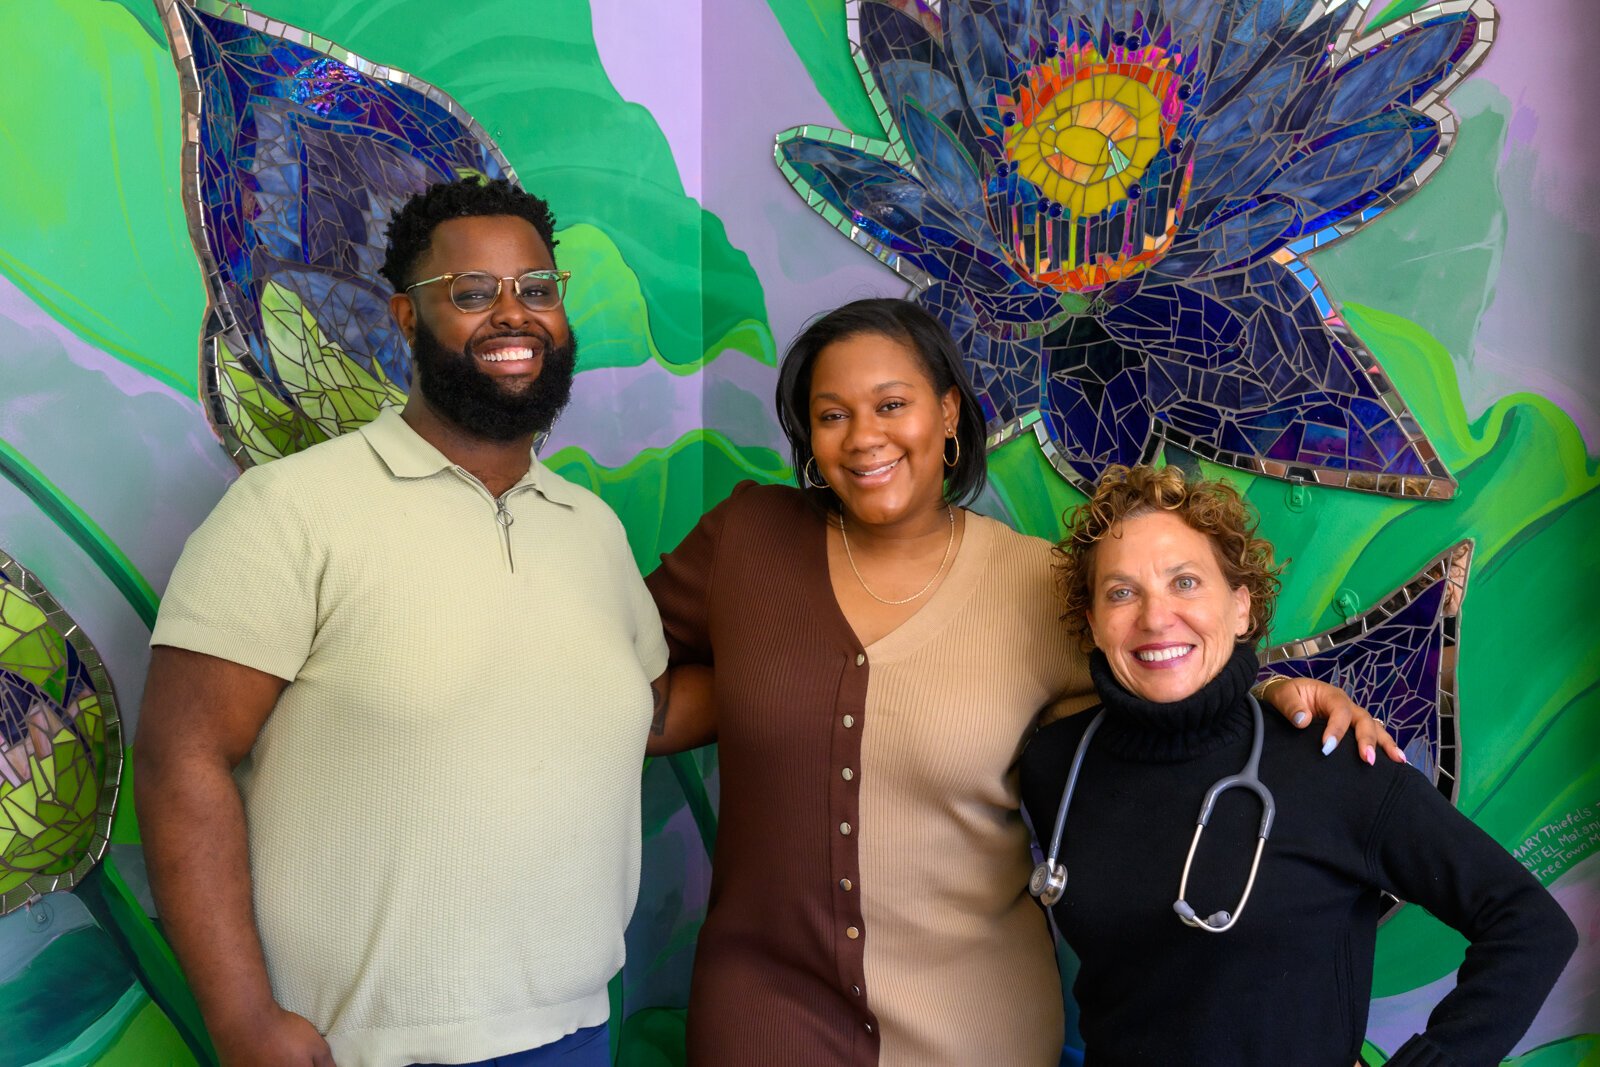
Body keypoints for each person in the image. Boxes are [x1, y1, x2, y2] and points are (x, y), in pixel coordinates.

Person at [644, 298, 1399, 1065]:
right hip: (765, 1018)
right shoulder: (748, 539)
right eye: (831, 414)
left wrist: (1272, 696)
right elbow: (617, 667)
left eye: (892, 404)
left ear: (948, 414)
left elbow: (1171, 687)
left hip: (976, 1028)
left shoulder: (1037, 585)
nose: (864, 436)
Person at [135, 177, 672, 1067]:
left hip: (576, 1033)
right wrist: (241, 1019)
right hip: (363, 1049)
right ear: (404, 316)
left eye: (537, 290)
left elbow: (645, 713)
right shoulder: (291, 510)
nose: (514, 315)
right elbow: (179, 756)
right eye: (472, 293)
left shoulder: (593, 528)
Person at [1020, 464, 1576, 1065]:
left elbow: (1531, 926)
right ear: (1093, 623)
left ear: (1239, 608)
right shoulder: (1057, 768)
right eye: (1121, 592)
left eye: (1184, 582)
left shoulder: (1333, 759)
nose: (1155, 617)